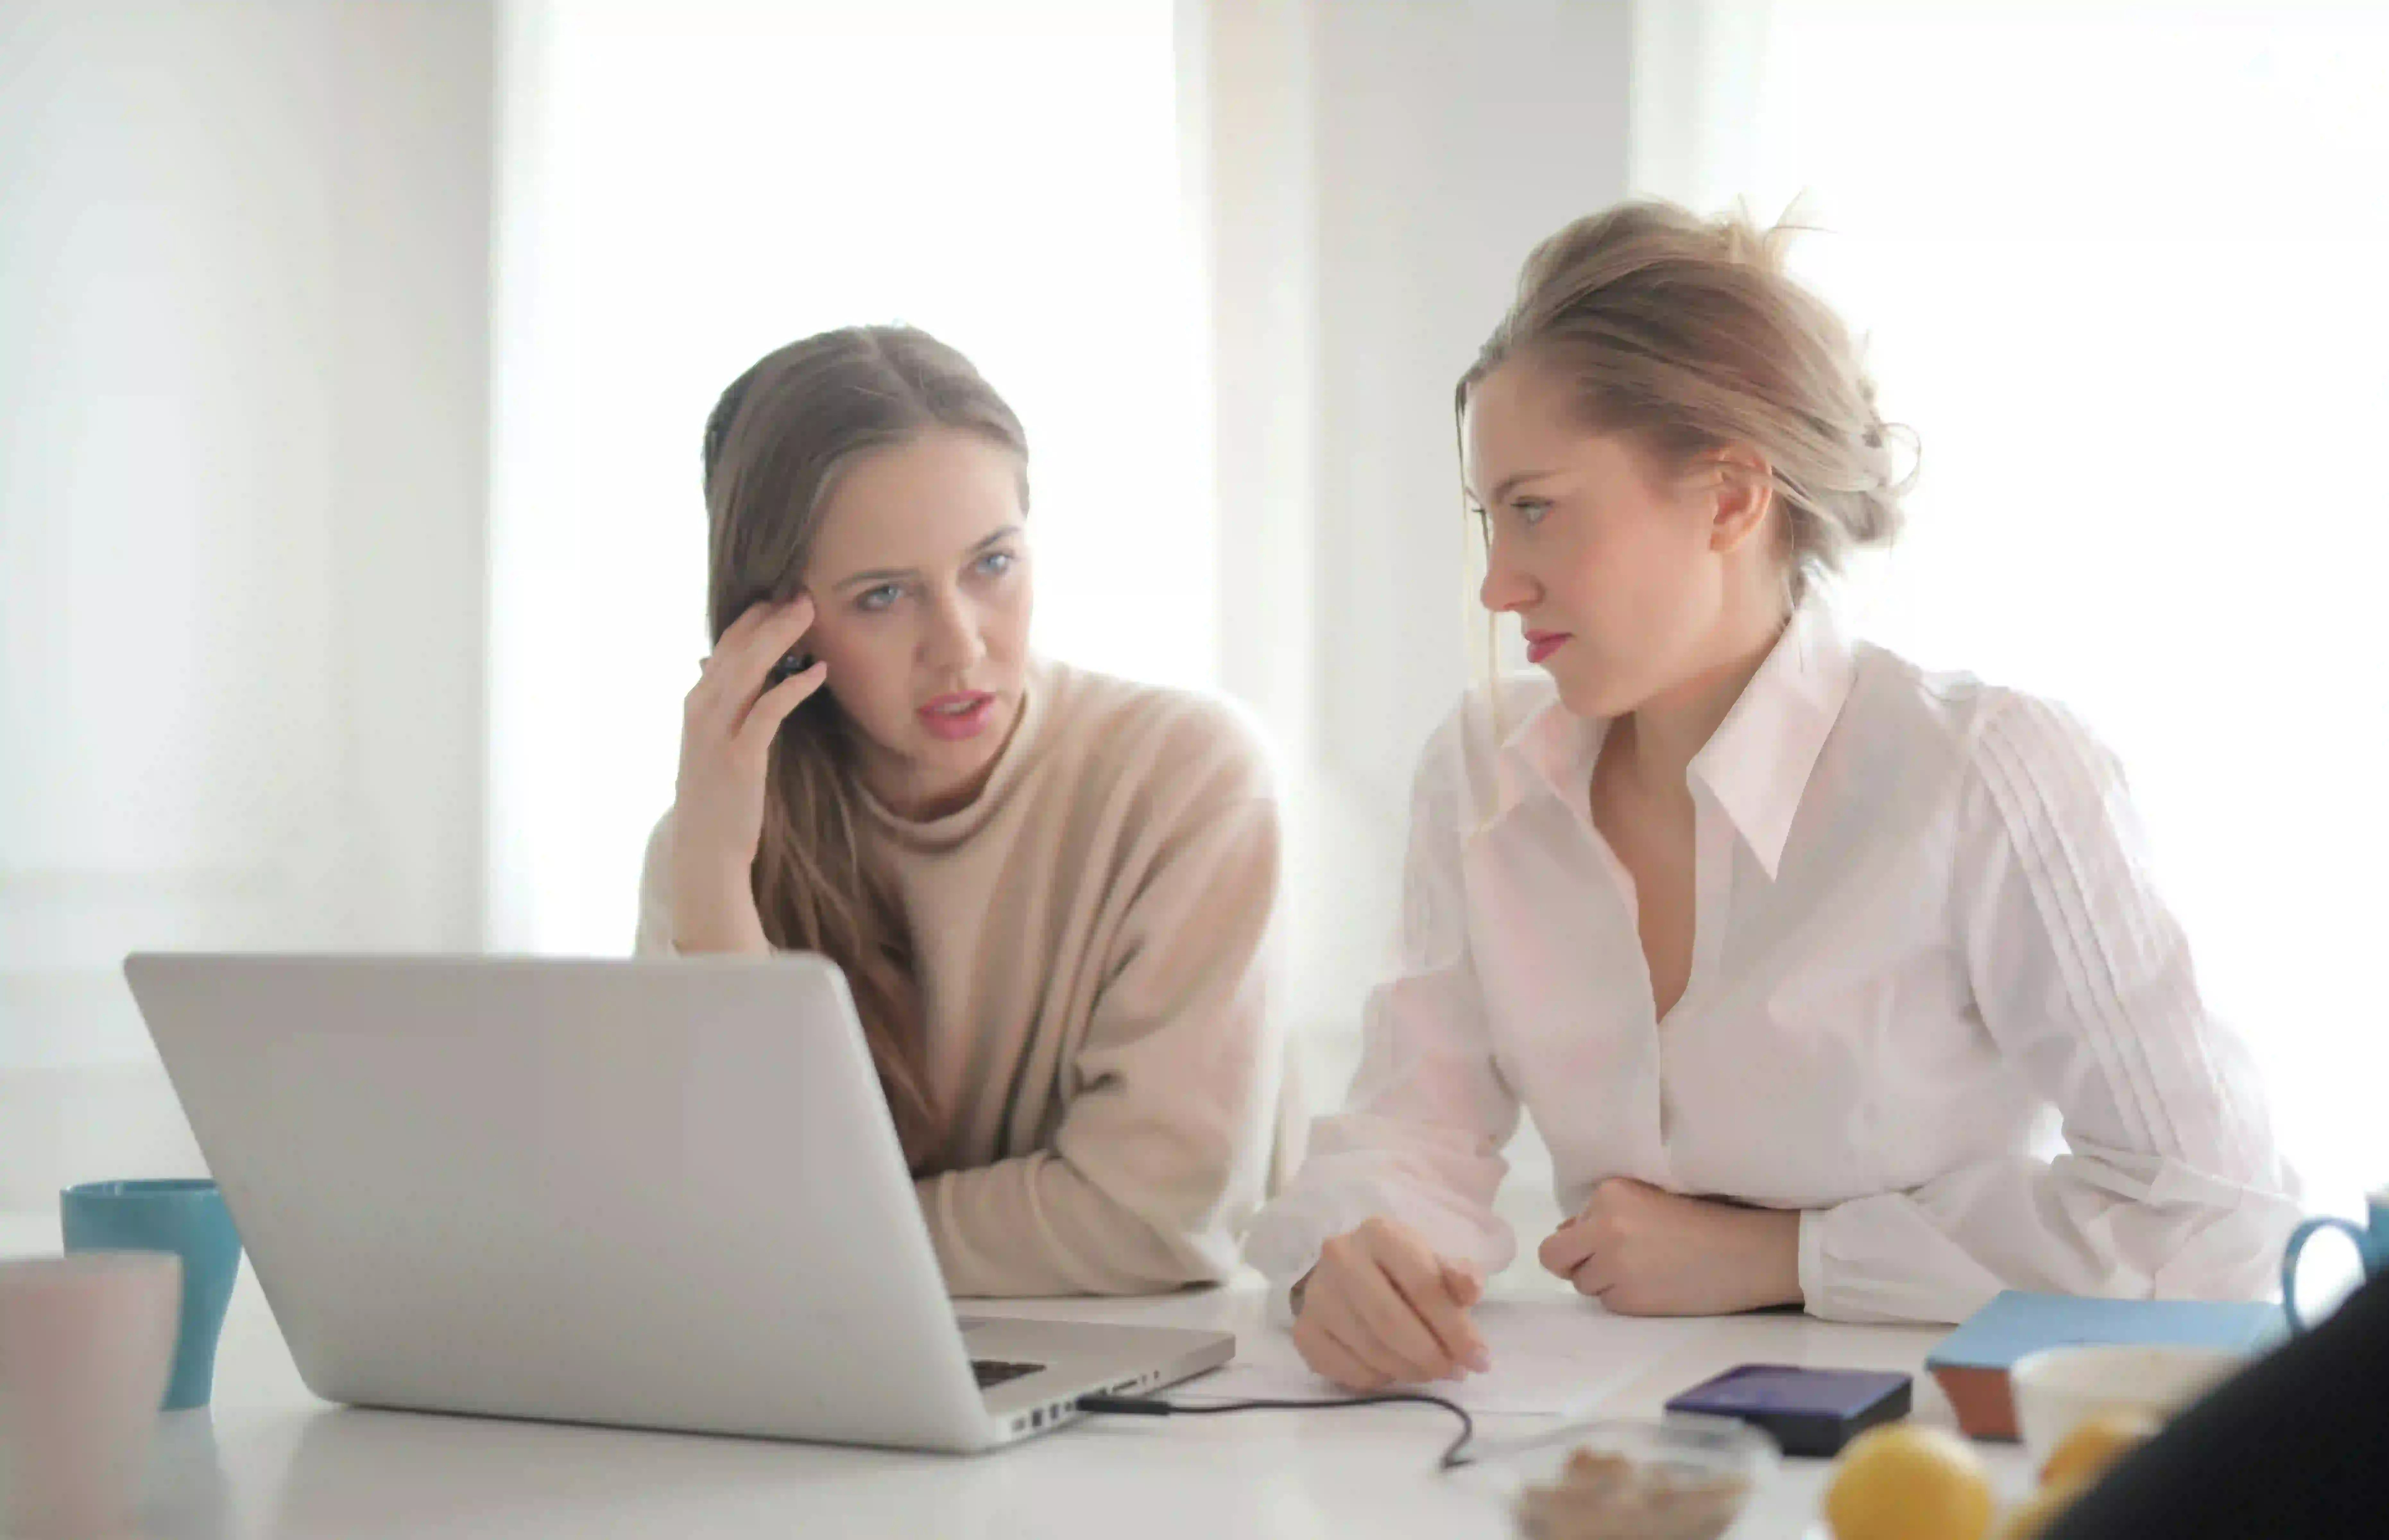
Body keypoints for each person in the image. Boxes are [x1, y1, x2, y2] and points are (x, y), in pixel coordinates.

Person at [1245, 201, 2300, 1390]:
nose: (1498, 584)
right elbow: (1412, 1126)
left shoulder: (1984, 775)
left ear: (1732, 497)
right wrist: (1350, 1259)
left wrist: (1790, 1257)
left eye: (1536, 509)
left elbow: (2221, 1219)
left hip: (1921, 1445)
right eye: (1491, 520)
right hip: (1588, 1440)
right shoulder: (1483, 772)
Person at [638, 324, 1297, 1296]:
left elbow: (1155, 1223)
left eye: (992, 566)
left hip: (1171, 1371)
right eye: (883, 596)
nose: (959, 647)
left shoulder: (1190, 779)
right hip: (838, 1364)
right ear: (776, 627)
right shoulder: (713, 851)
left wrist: (819, 1236)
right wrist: (713, 895)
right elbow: (707, 1226)